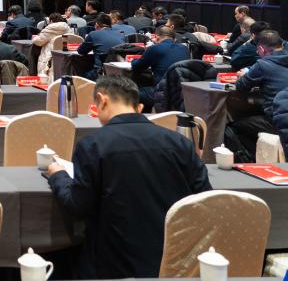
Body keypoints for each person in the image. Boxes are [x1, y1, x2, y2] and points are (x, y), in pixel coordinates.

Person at [46, 74, 210, 280]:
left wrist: (58, 175)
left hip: (112, 265)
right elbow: (205, 199)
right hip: (176, 262)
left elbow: (77, 206)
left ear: (102, 100)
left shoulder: (92, 145)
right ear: (138, 107)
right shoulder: (180, 143)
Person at [230, 29, 288, 157]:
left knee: (234, 127)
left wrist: (244, 75)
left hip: (278, 122)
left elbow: (240, 86)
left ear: (261, 49)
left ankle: (256, 160)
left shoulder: (263, 64)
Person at [131, 25, 194, 110]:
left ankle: (143, 117)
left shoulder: (155, 48)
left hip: (162, 93)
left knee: (133, 92)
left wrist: (133, 60)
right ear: (174, 39)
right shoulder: (185, 49)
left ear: (157, 37)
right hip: (182, 93)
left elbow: (137, 67)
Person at [77, 13, 125, 79]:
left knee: (79, 76)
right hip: (120, 73)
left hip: (100, 73)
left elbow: (81, 51)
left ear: (97, 25)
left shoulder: (93, 34)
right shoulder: (120, 34)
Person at [32, 13, 70, 78]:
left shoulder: (50, 28)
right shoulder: (67, 27)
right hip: (65, 55)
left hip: (50, 55)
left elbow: (38, 41)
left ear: (51, 21)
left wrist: (35, 37)